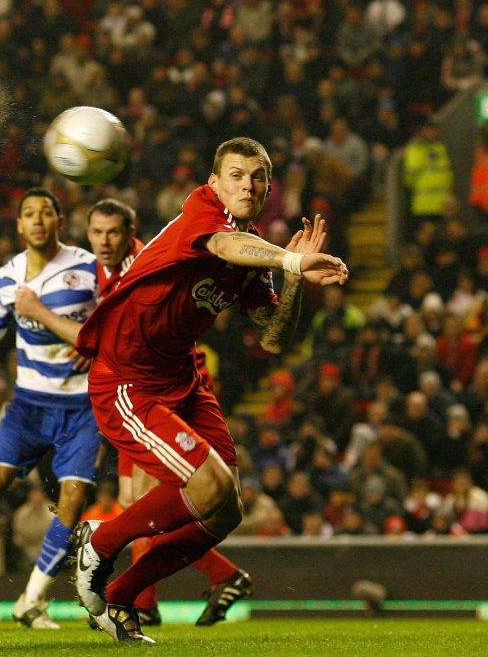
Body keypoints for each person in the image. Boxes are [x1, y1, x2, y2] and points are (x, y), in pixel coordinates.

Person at [71, 137, 348, 643]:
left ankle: (120, 596)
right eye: (237, 175)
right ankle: (101, 541)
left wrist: (291, 281)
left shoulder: (255, 246)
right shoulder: (200, 215)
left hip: (181, 376)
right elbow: (223, 245)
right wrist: (289, 260)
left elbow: (271, 336)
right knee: (207, 488)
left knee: (226, 511)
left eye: (258, 176)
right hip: (127, 379)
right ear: (214, 182)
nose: (248, 184)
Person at [88, 198, 255, 628]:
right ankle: (146, 593)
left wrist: (40, 315)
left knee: (163, 498)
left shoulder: (150, 258)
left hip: (160, 386)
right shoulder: (97, 271)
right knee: (140, 500)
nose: (104, 241)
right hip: (140, 379)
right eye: (96, 232)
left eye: (113, 232)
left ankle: (135, 592)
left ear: (131, 233)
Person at [0, 188, 101, 629]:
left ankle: (33, 598)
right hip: (30, 405)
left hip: (83, 405)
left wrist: (97, 344)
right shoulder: (7, 278)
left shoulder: (89, 267)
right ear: (19, 226)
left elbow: (119, 315)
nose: (38, 221)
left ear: (60, 219)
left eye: (46, 213)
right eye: (30, 215)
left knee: (74, 499)